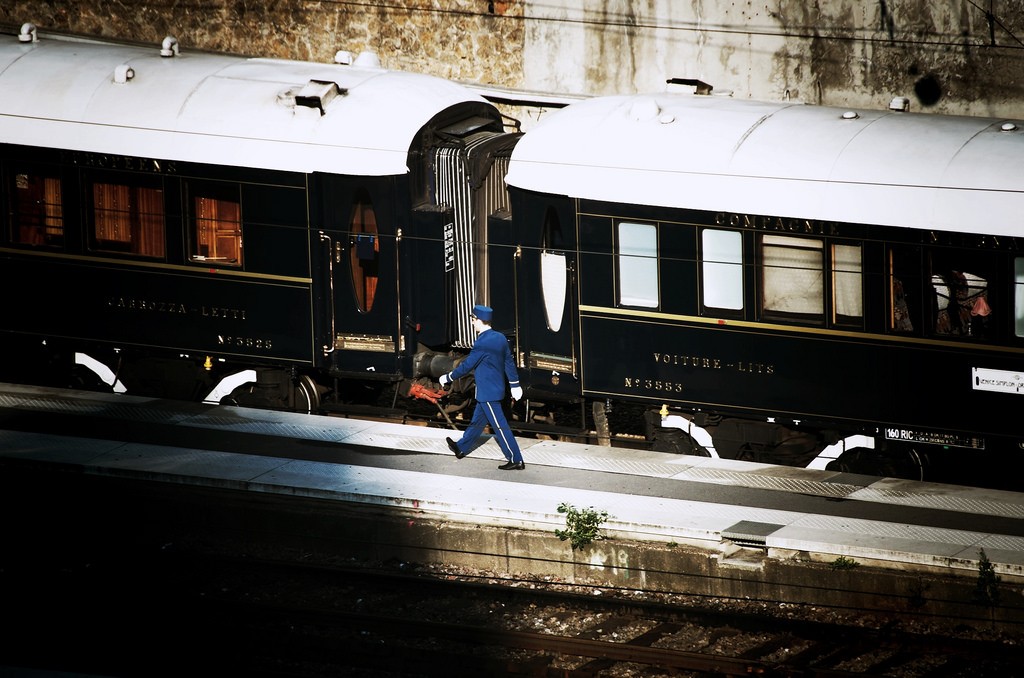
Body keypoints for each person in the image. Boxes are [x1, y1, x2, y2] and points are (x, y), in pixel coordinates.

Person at [440, 304, 525, 470]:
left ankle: (516, 459)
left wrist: (448, 377)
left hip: (488, 393)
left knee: (500, 427)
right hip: (492, 390)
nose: (472, 323)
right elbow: (508, 362)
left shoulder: (482, 342)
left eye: (473, 320)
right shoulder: (500, 338)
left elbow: (467, 366)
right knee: (477, 421)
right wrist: (515, 385)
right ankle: (461, 447)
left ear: (479, 320)